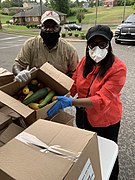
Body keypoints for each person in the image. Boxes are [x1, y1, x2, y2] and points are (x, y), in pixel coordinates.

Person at [47, 25, 127, 180]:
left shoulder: (118, 68)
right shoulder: (84, 61)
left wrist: (71, 102)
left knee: (108, 151)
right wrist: (57, 95)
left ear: (109, 45)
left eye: (102, 44)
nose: (96, 49)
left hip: (106, 120)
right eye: (92, 44)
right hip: (83, 115)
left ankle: (111, 176)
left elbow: (102, 99)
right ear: (87, 45)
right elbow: (74, 84)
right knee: (88, 147)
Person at [12, 11, 79, 82]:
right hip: (34, 86)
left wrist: (63, 82)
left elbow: (75, 73)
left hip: (60, 89)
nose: (49, 30)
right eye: (46, 26)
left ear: (59, 29)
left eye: (53, 27)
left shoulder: (69, 50)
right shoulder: (30, 44)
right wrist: (20, 73)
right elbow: (18, 65)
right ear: (41, 28)